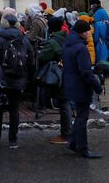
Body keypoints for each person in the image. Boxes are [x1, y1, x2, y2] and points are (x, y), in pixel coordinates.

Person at [0, 14, 33, 149]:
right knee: (14, 110)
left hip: (2, 80)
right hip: (19, 79)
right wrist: (28, 77)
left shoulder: (0, 39)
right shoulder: (23, 38)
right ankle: (13, 140)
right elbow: (31, 59)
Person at [62, 20, 104, 159]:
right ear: (82, 32)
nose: (89, 34)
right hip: (80, 86)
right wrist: (97, 87)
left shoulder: (68, 44)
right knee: (82, 118)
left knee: (79, 116)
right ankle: (82, 148)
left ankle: (73, 142)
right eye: (88, 32)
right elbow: (85, 72)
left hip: (70, 84)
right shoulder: (81, 48)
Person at [39, 15, 72, 144]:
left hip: (61, 76)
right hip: (70, 74)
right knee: (66, 103)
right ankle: (67, 133)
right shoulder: (67, 37)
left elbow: (42, 58)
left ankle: (66, 135)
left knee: (64, 104)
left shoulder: (53, 41)